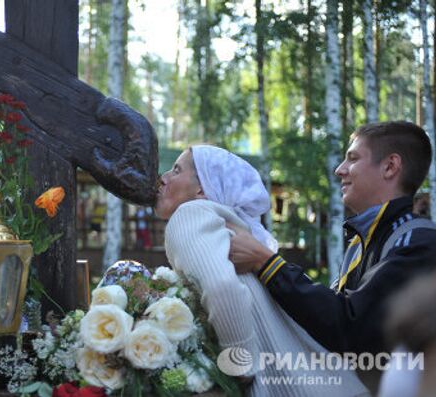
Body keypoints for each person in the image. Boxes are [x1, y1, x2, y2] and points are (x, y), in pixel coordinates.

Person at [228, 121, 436, 390]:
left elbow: (351, 327)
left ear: (390, 167)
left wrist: (266, 264)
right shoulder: (365, 240)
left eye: (353, 158)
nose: (340, 170)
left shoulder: (418, 243)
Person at [156, 145, 368, 396]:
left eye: (176, 170)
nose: (163, 177)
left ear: (202, 189)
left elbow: (221, 289)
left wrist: (239, 365)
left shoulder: (190, 213)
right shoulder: (235, 227)